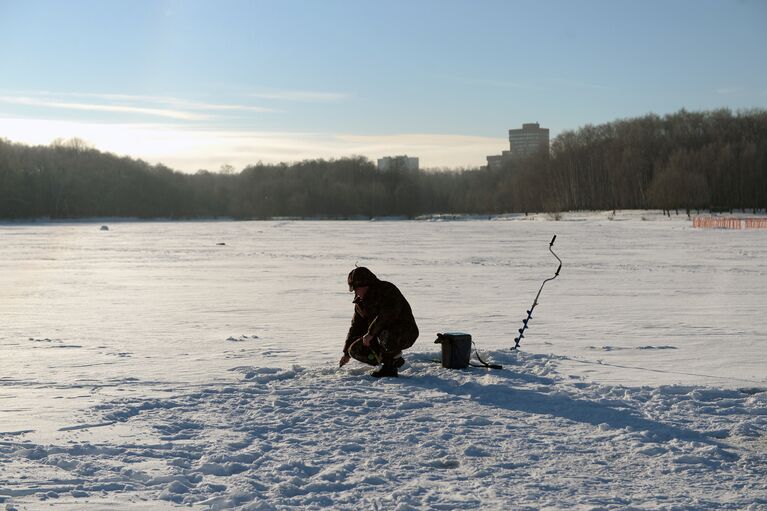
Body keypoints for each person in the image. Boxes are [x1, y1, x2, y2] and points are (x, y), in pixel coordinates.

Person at [339, 267, 419, 377]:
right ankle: (392, 359)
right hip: (377, 336)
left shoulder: (387, 290)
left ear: (365, 285)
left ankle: (389, 367)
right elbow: (356, 327)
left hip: (405, 332)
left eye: (356, 288)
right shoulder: (360, 304)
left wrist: (371, 333)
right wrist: (346, 353)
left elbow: (387, 315)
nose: (356, 292)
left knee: (385, 334)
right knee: (354, 350)